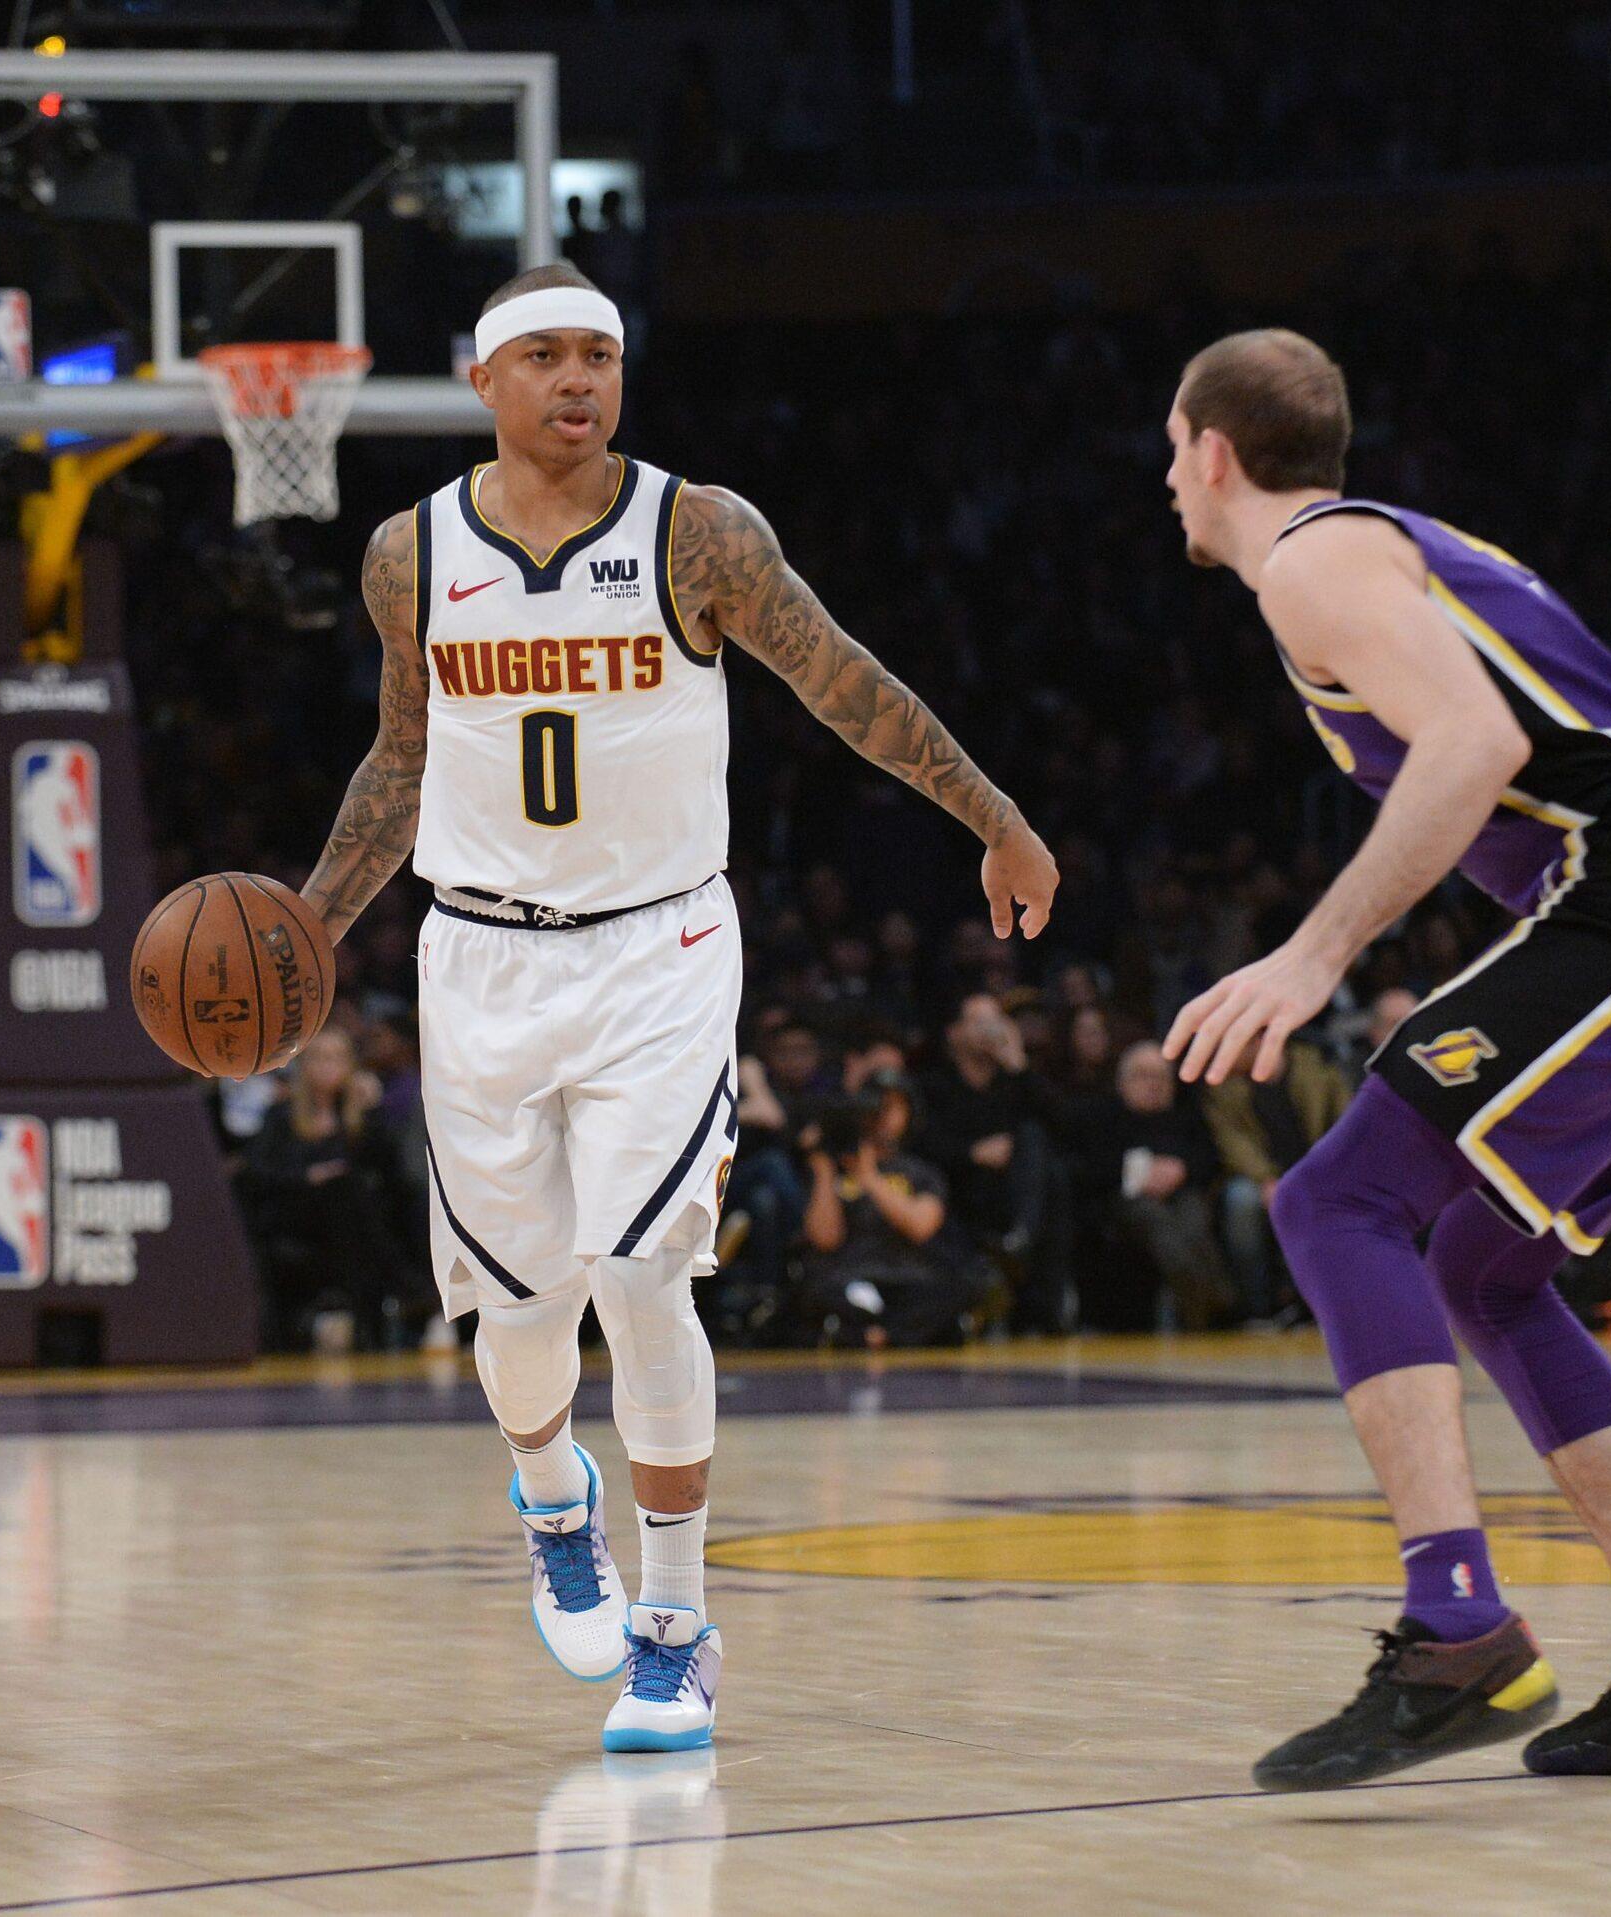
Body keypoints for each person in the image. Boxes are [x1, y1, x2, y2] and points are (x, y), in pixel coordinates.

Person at [296, 261, 1058, 1754]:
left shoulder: (697, 531)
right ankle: (551, 1499)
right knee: (519, 1319)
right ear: (484, 381)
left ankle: (675, 1626)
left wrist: (992, 813)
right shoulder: (410, 553)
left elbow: (841, 681)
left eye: (600, 354)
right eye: (545, 356)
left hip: (659, 949)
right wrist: (314, 927)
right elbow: (401, 756)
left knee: (646, 1273)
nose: (578, 379)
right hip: (481, 958)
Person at [1158, 328, 1611, 1789]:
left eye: (1169, 450)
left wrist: (1313, 955)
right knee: (1483, 1269)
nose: (1167, 483)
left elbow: (1472, 746)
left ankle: (1457, 1625)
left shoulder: (1311, 562)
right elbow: (1608, 743)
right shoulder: (1412, 544)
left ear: (1212, 451)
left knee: (1336, 1200)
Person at [241, 1029, 430, 1352]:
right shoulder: (282, 1114)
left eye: (336, 1058)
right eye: (319, 1058)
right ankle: (410, 1287)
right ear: (304, 1065)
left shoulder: (361, 1114)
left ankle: (397, 1298)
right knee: (344, 1193)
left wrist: (373, 1107)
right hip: (297, 1217)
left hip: (350, 1226)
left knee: (355, 1196)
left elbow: (391, 1169)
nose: (327, 1066)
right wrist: (307, 1177)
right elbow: (256, 1173)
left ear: (351, 1065)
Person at [920, 992, 1071, 1332]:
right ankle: (1015, 1250)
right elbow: (922, 1143)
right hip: (958, 1185)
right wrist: (972, 1153)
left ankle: (1022, 1244)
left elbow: (1063, 1125)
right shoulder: (935, 1083)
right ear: (954, 1033)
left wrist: (1018, 1063)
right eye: (979, 1021)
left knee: (1041, 1149)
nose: (990, 1030)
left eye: (996, 1021)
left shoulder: (1015, 1080)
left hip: (1016, 1191)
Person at [794, 1075, 981, 1346]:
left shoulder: (921, 1173)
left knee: (959, 1287)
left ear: (909, 1114)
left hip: (909, 1277)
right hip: (851, 1276)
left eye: (892, 1107)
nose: (882, 1116)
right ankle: (889, 1330)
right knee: (815, 1292)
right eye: (876, 1107)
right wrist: (823, 1171)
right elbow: (824, 1239)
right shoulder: (833, 1169)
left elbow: (921, 1228)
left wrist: (870, 1178)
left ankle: (871, 1334)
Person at [1075, 1042, 1239, 1329]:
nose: (1153, 1084)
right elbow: (1088, 1169)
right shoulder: (1104, 1116)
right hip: (1125, 1199)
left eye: (1161, 1076)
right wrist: (1136, 1174)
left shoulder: (1185, 1116)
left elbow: (1211, 1159)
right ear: (1122, 1082)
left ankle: (1202, 1307)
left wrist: (1182, 1169)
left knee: (1194, 1222)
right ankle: (1219, 1301)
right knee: (1157, 1223)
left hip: (1182, 1193)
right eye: (1143, 1075)